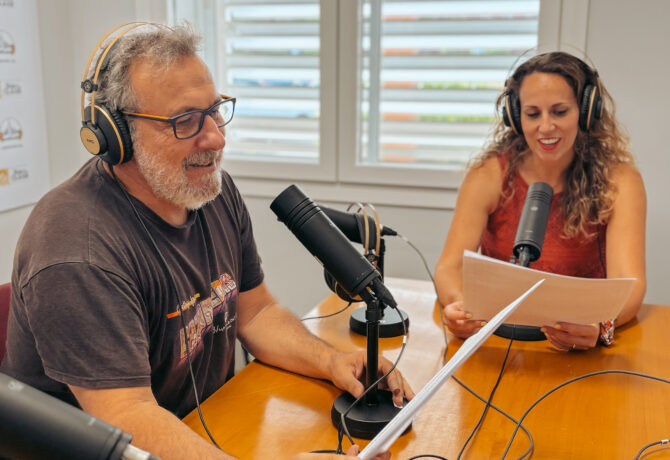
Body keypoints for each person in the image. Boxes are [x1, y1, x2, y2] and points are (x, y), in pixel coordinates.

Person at [0, 23, 413, 460]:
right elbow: (128, 417)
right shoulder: (77, 249)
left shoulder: (209, 190)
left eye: (215, 110)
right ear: (116, 134)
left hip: (201, 429)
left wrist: (331, 362)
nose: (216, 137)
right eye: (185, 121)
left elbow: (256, 313)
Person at [434, 51, 646, 351]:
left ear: (586, 111)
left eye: (559, 112)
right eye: (533, 114)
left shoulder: (620, 181)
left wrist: (601, 325)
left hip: (577, 348)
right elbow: (449, 267)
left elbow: (629, 283)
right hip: (499, 341)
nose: (545, 127)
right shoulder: (489, 174)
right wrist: (461, 308)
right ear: (515, 117)